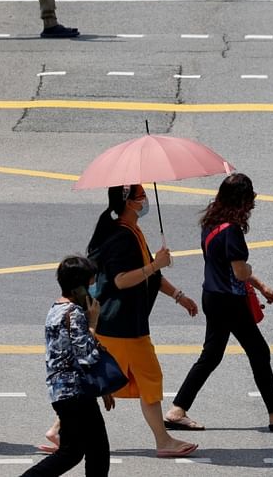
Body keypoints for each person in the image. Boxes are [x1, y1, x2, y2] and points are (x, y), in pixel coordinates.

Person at [165, 173, 273, 433]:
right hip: (229, 302)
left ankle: (177, 410)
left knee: (210, 357)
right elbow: (240, 271)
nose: (253, 203)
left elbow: (226, 266)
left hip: (212, 295)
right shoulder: (231, 231)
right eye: (250, 198)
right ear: (242, 201)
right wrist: (251, 272)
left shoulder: (210, 224)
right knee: (258, 352)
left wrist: (262, 286)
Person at [88, 185, 199, 459]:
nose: (144, 201)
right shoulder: (121, 237)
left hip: (123, 323)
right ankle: (163, 440)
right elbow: (121, 280)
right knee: (148, 378)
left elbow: (150, 276)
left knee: (96, 380)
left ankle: (59, 430)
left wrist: (178, 296)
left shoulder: (132, 232)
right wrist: (155, 265)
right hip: (121, 324)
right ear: (129, 203)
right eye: (140, 197)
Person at [22, 257, 112, 477]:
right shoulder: (75, 313)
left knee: (85, 451)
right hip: (76, 392)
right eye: (90, 283)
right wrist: (93, 322)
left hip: (61, 391)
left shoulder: (56, 309)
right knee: (85, 452)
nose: (93, 288)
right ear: (79, 286)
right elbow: (86, 355)